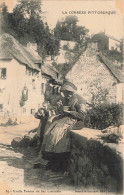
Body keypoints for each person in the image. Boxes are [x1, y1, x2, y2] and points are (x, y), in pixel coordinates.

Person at [40, 80, 85, 171]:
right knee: (50, 130)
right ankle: (53, 159)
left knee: (58, 133)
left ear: (72, 92)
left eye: (68, 92)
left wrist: (68, 112)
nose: (66, 95)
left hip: (77, 122)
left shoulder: (79, 100)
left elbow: (82, 115)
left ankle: (60, 161)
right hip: (66, 119)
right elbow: (61, 111)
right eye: (64, 92)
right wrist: (60, 108)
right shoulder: (66, 99)